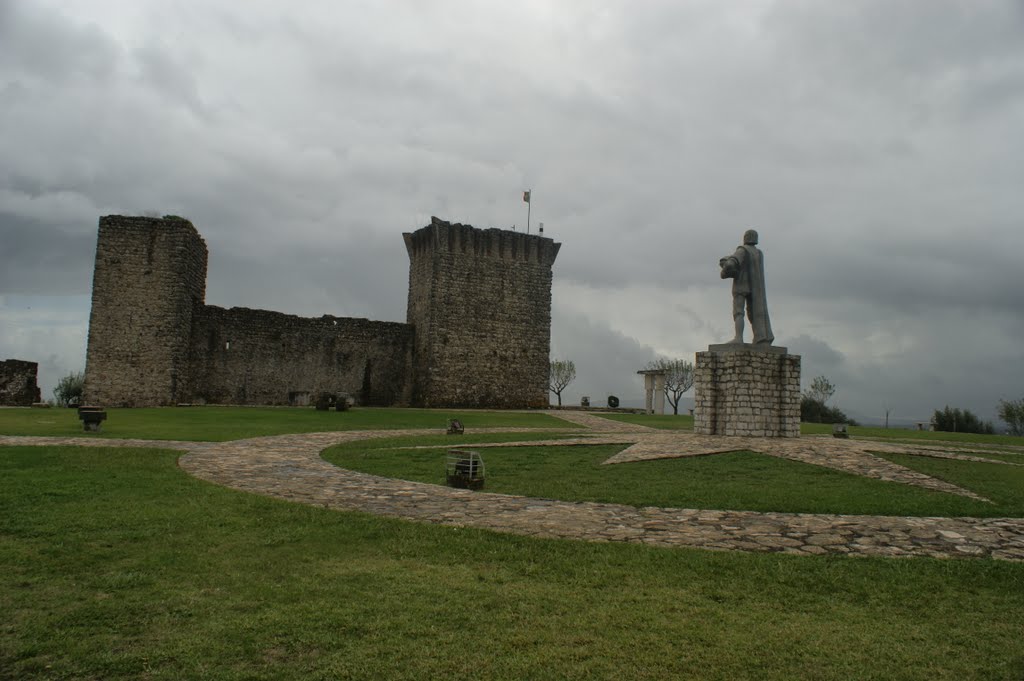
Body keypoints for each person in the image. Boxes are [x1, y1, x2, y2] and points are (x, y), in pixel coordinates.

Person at [719, 229, 774, 345]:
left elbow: (730, 264)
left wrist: (725, 267)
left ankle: (738, 338)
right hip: (756, 289)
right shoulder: (759, 253)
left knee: (738, 312)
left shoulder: (742, 250)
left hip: (741, 286)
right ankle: (761, 337)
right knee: (755, 312)